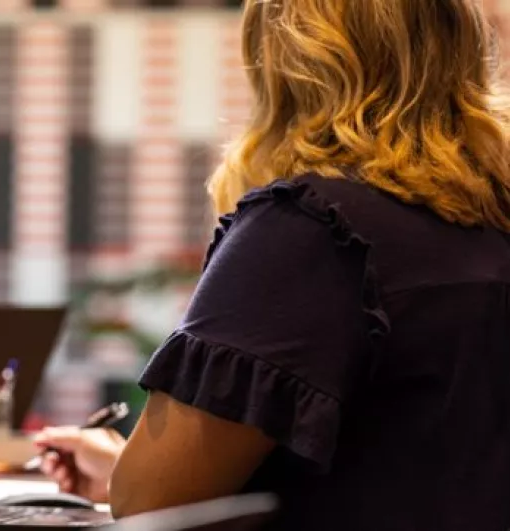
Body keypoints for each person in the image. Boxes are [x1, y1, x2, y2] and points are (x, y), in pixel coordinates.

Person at [37, 0, 510, 528]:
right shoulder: (493, 224)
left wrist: (135, 477)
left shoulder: (313, 230)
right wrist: (125, 467)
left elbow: (148, 503)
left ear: (288, 60)